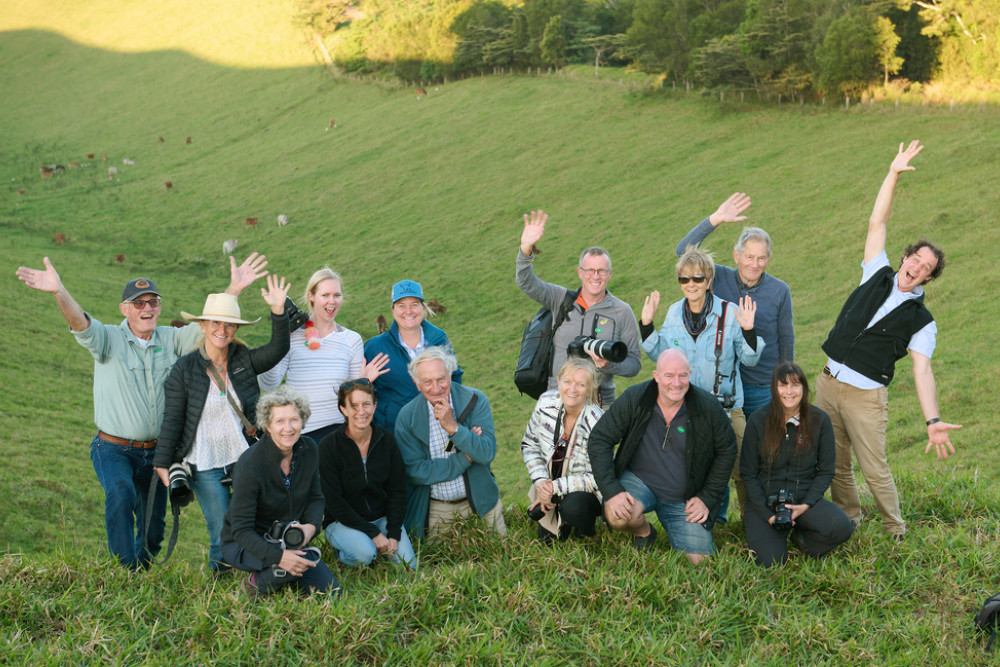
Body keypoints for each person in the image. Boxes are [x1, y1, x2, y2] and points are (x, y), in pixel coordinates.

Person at [15, 253, 268, 570]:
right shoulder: (109, 338)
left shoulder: (171, 339)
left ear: (159, 307)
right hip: (113, 448)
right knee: (119, 494)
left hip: (157, 454)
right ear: (125, 309)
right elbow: (79, 322)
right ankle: (123, 571)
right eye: (138, 303)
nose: (147, 308)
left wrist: (234, 288)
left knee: (152, 530)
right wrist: (59, 291)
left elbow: (212, 328)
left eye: (153, 302)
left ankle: (142, 570)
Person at [815, 140, 960, 540]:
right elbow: (876, 223)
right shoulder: (875, 271)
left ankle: (896, 530)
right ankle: (849, 520)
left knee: (874, 466)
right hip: (828, 383)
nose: (916, 267)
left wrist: (932, 420)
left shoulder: (922, 320)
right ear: (905, 257)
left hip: (865, 396)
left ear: (929, 279)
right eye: (915, 258)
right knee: (835, 461)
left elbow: (922, 370)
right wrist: (892, 173)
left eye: (926, 268)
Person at [154, 276, 291, 574]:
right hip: (204, 462)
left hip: (244, 458)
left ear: (236, 329)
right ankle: (218, 590)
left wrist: (278, 312)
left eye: (229, 324)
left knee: (249, 525)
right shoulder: (184, 369)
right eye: (215, 323)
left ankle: (252, 584)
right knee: (221, 530)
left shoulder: (243, 359)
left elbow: (278, 349)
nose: (222, 330)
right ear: (202, 326)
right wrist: (163, 462)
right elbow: (173, 418)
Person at [638, 245, 763, 519]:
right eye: (684, 279)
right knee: (698, 472)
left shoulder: (730, 313)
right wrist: (646, 325)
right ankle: (712, 522)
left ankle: (752, 522)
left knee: (744, 468)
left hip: (727, 410)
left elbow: (750, 359)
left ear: (708, 280)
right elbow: (662, 355)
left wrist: (749, 330)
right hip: (688, 411)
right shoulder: (672, 313)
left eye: (697, 278)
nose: (690, 284)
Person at [588, 349, 737, 564]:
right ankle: (644, 533)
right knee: (618, 516)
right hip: (639, 481)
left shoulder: (707, 406)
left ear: (690, 375)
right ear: (656, 376)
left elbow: (727, 449)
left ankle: (680, 529)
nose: (676, 383)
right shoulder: (636, 398)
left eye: (682, 376)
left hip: (684, 498)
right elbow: (600, 438)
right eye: (669, 376)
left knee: (702, 563)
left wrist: (707, 497)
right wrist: (612, 491)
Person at [675, 193, 795, 415]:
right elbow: (683, 252)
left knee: (764, 446)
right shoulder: (718, 278)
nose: (755, 264)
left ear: (768, 259)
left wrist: (786, 381)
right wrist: (716, 219)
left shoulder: (780, 291)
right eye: (749, 257)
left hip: (763, 386)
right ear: (736, 255)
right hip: (723, 385)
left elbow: (786, 339)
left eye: (761, 258)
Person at [220, 386, 339, 598]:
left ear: (302, 420)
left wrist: (310, 529)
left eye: (294, 419)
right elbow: (241, 530)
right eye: (280, 421)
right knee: (283, 569)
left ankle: (285, 571)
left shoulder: (309, 449)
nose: (288, 428)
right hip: (246, 542)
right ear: (267, 426)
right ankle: (255, 583)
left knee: (330, 593)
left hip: (289, 539)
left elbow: (316, 497)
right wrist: (280, 556)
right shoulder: (249, 464)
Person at [516, 210, 641, 406]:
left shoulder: (622, 311)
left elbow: (634, 365)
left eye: (601, 271)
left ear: (609, 274)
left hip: (599, 404)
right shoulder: (560, 299)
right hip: (556, 400)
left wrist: (610, 364)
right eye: (590, 270)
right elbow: (526, 282)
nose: (596, 276)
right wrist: (525, 249)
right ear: (580, 273)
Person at [740, 362, 855, 567]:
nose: (789, 391)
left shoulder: (820, 420)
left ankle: (801, 538)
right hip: (765, 503)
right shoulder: (758, 420)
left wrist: (806, 504)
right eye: (783, 385)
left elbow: (826, 471)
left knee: (842, 527)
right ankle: (771, 537)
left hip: (802, 498)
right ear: (774, 389)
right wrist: (768, 517)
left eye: (795, 385)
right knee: (771, 563)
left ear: (804, 387)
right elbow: (748, 474)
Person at [258, 267, 389, 443]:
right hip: (300, 434)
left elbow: (351, 398)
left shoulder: (351, 339)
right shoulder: (293, 336)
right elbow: (268, 383)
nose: (332, 301)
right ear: (311, 296)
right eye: (325, 295)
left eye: (337, 295)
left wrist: (364, 382)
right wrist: (279, 341)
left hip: (339, 433)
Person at [394, 347, 506, 540]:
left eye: (441, 379)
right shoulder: (407, 417)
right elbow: (416, 471)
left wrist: (453, 428)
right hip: (437, 508)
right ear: (416, 383)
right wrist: (466, 457)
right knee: (439, 567)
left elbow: (486, 452)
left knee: (502, 559)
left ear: (450, 375)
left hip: (481, 502)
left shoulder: (476, 400)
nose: (436, 388)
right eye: (427, 381)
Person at [319, 378, 417, 570]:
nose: (361, 412)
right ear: (343, 409)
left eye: (366, 404)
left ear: (375, 406)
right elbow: (334, 502)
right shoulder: (328, 447)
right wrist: (373, 534)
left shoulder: (387, 441)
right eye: (353, 406)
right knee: (364, 555)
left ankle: (374, 546)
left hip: (382, 518)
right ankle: (348, 552)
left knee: (409, 567)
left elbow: (397, 491)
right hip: (342, 521)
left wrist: (394, 533)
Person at [521, 357, 604, 541]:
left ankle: (586, 531)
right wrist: (541, 482)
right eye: (567, 382)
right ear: (558, 381)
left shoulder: (598, 422)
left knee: (574, 508)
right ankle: (557, 517)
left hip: (584, 493)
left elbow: (597, 477)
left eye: (581, 385)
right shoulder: (545, 404)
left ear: (590, 389)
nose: (572, 390)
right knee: (546, 541)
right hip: (551, 483)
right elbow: (530, 445)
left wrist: (554, 487)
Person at [364, 280, 462, 431]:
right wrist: (364, 381)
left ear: (423, 307)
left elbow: (455, 377)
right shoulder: (375, 347)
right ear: (393, 310)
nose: (408, 311)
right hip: (395, 434)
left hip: (438, 429)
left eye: (414, 304)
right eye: (401, 305)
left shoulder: (439, 339)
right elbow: (360, 393)